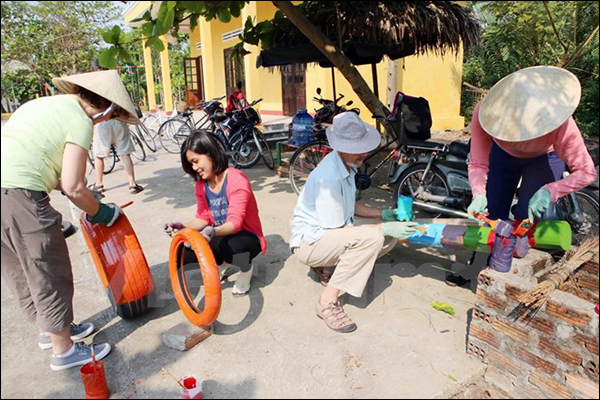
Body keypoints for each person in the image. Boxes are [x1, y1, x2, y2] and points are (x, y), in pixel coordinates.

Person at [1, 69, 140, 370]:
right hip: (18, 200)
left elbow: (47, 168)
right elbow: (74, 187)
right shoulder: (80, 121)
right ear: (107, 108)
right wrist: (102, 212)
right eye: (112, 116)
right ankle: (63, 351)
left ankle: (49, 332)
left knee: (21, 270)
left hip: (6, 193)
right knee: (49, 270)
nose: (107, 121)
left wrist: (85, 194)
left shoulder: (39, 105)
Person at [290, 112, 419, 333]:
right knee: (372, 238)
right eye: (359, 148)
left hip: (326, 235)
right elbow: (341, 229)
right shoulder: (328, 177)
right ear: (342, 147)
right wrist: (382, 227)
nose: (365, 153)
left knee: (387, 237)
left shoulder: (346, 166)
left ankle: (327, 265)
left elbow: (349, 207)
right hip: (308, 243)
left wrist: (385, 214)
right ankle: (327, 301)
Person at [467, 66, 597, 224]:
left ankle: (521, 247)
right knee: (492, 215)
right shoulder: (484, 112)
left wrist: (550, 191)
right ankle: (498, 248)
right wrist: (478, 193)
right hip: (502, 157)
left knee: (527, 219)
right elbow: (478, 163)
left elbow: (586, 172)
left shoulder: (560, 123)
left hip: (544, 158)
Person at [165, 131, 266, 296]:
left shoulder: (236, 179)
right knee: (186, 248)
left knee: (233, 246)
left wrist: (213, 232)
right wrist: (183, 228)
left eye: (196, 161)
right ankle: (222, 264)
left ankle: (245, 269)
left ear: (211, 153)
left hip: (245, 235)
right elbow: (203, 217)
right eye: (191, 164)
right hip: (219, 233)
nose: (194, 168)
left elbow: (235, 223)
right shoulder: (201, 185)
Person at [91, 119, 144, 194]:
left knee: (99, 156)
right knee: (125, 154)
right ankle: (132, 185)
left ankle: (99, 184)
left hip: (102, 123)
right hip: (119, 121)